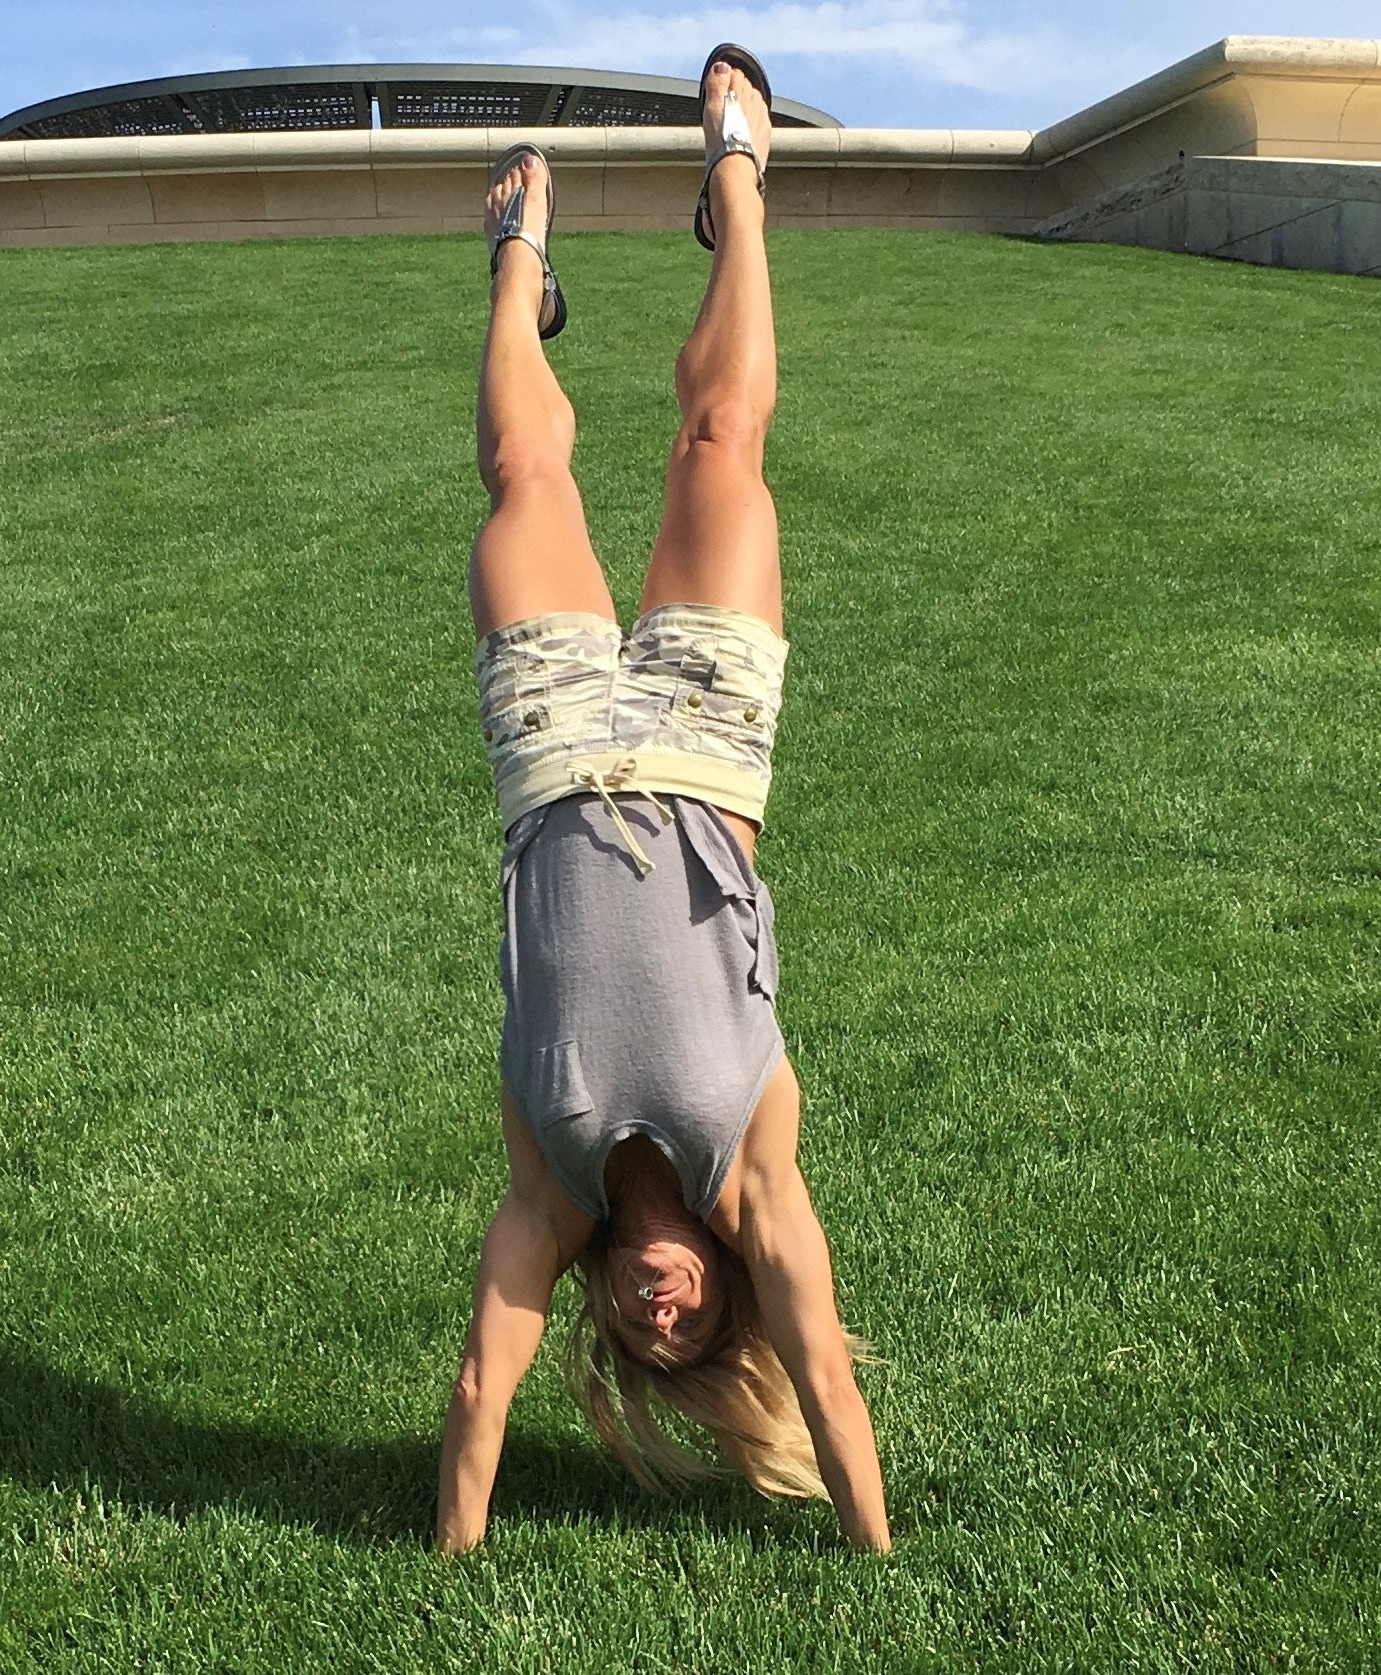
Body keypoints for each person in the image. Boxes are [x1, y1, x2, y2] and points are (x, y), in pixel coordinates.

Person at [436, 46, 891, 1555]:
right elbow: (822, 1370)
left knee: (523, 475)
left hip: (555, 756)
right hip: (704, 750)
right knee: (720, 443)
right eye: (697, 1325)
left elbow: (476, 1389)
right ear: (722, 1284)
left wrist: (453, 1561)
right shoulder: (757, 1176)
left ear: (624, 1332)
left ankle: (520, 260)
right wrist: (872, 1549)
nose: (664, 1317)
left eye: (652, 1344)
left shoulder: (547, 1199)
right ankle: (741, 184)